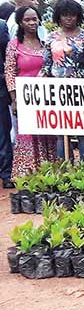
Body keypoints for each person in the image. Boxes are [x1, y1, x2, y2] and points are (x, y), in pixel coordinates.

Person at [41, 0, 84, 163]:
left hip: (82, 91)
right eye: (65, 15)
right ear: (59, 17)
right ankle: (64, 169)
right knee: (60, 134)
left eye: (72, 15)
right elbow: (46, 65)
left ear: (78, 16)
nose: (69, 19)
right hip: (57, 92)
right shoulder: (50, 38)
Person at [5, 6, 57, 178]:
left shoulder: (46, 43)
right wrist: (15, 100)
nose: (32, 22)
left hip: (46, 99)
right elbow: (10, 72)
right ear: (20, 22)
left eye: (34, 19)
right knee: (28, 136)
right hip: (25, 99)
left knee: (47, 136)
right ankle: (28, 177)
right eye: (27, 20)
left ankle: (49, 175)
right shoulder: (14, 45)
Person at [0, 14, 11, 187]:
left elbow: (5, 56)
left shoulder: (1, 26)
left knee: (2, 133)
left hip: (0, 88)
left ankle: (6, 174)